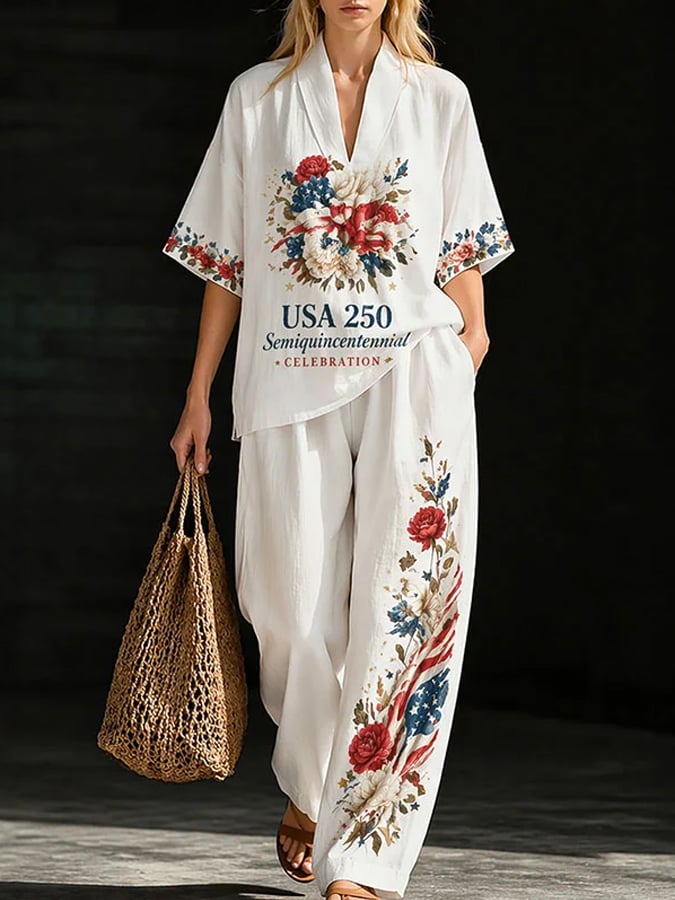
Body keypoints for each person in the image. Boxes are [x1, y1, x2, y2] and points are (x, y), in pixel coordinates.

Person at [164, 1, 515, 898]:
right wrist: (199, 391)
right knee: (284, 602)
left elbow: (461, 247)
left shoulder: (439, 97)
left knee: (406, 608)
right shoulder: (257, 98)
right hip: (286, 373)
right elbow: (229, 259)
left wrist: (468, 346)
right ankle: (313, 782)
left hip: (413, 377)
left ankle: (363, 857)